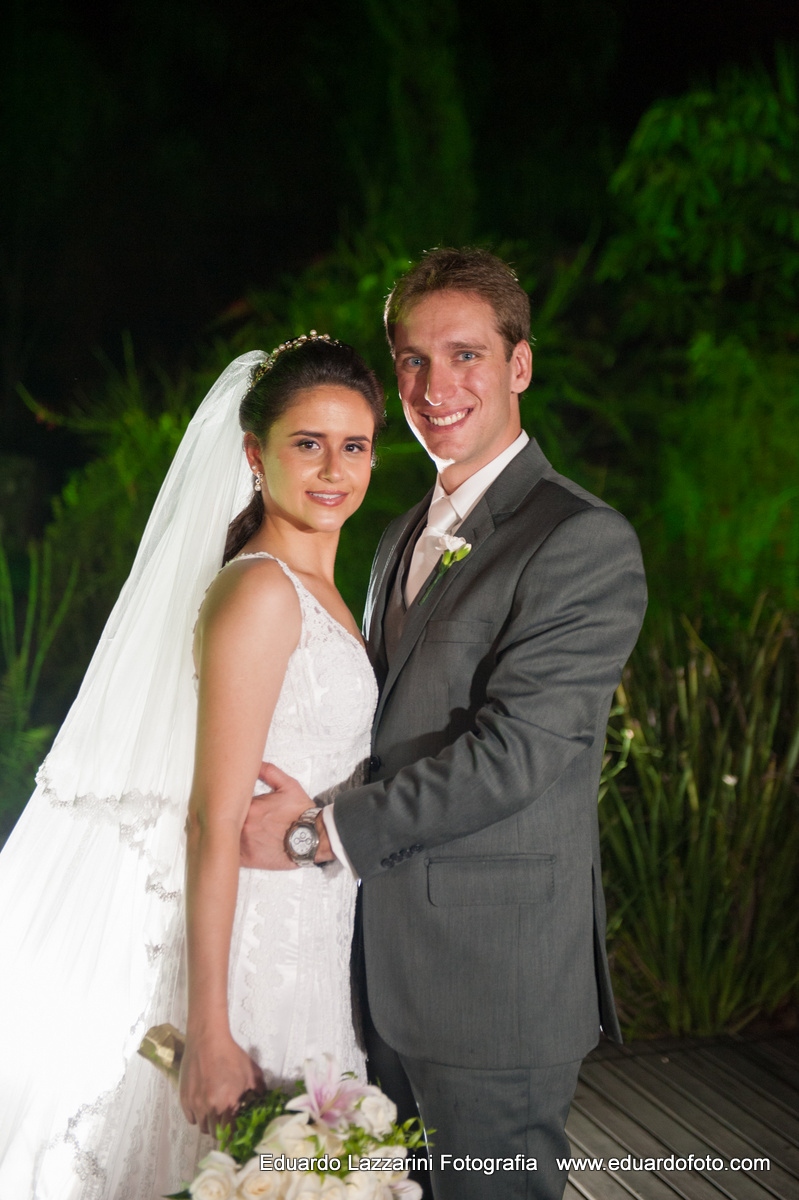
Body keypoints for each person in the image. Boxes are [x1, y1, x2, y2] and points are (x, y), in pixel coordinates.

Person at [241, 248, 649, 1200]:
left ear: (518, 366)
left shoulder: (580, 540)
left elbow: (518, 756)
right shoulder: (394, 535)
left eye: (465, 355)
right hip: (374, 977)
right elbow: (381, 731)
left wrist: (319, 831)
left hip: (490, 986)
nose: (434, 386)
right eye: (412, 361)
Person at [0, 335, 385, 1198]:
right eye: (307, 443)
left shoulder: (323, 586)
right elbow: (211, 817)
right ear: (255, 455)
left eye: (353, 444)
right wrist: (207, 1028)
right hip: (257, 950)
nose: (334, 469)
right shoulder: (258, 591)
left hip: (317, 940)